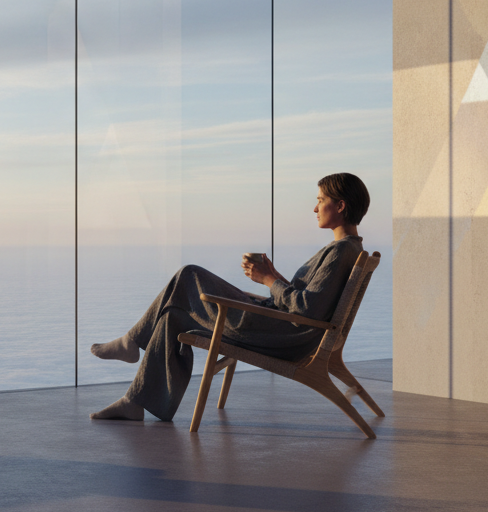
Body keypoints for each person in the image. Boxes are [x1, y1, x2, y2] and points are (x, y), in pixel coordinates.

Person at [89, 172, 370, 421]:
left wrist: (268, 280)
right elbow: (312, 300)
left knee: (189, 274)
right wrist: (275, 277)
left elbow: (309, 310)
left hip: (281, 336)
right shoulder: (347, 250)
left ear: (341, 206)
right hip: (280, 325)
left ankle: (131, 342)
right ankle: (134, 402)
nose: (315, 207)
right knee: (172, 316)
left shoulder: (340, 252)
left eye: (321, 200)